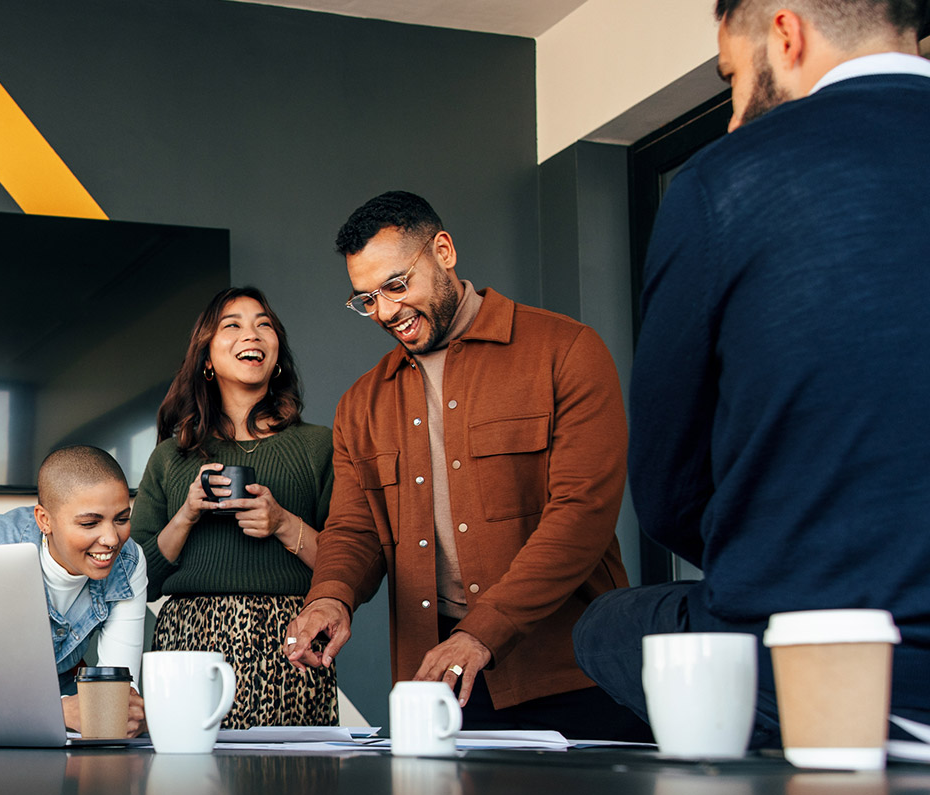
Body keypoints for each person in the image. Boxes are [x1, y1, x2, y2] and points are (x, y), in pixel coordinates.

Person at [572, 0, 930, 741]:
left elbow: (668, 495)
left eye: (732, 79)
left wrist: (776, 545)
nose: (734, 117)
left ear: (787, 35)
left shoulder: (721, 180)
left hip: (816, 653)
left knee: (605, 626)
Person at [284, 191, 650, 741]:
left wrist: (482, 633)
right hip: (441, 686)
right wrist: (331, 595)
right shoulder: (362, 403)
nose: (384, 312)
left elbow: (582, 516)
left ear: (444, 251)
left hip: (576, 673)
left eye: (396, 286)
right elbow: (355, 528)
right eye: (366, 299)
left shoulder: (567, 350)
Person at [132, 287, 336, 728]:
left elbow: (348, 567)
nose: (253, 333)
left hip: (290, 644)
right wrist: (186, 515)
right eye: (233, 325)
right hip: (188, 647)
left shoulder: (318, 446)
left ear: (276, 355)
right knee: (185, 791)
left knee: (291, 790)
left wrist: (283, 522)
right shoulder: (172, 456)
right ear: (206, 357)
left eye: (264, 324)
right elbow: (135, 582)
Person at [0, 445, 148, 737]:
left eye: (122, 519)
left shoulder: (129, 562)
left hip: (72, 715)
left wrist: (128, 713)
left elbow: (117, 694)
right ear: (44, 520)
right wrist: (61, 711)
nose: (112, 539)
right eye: (90, 523)